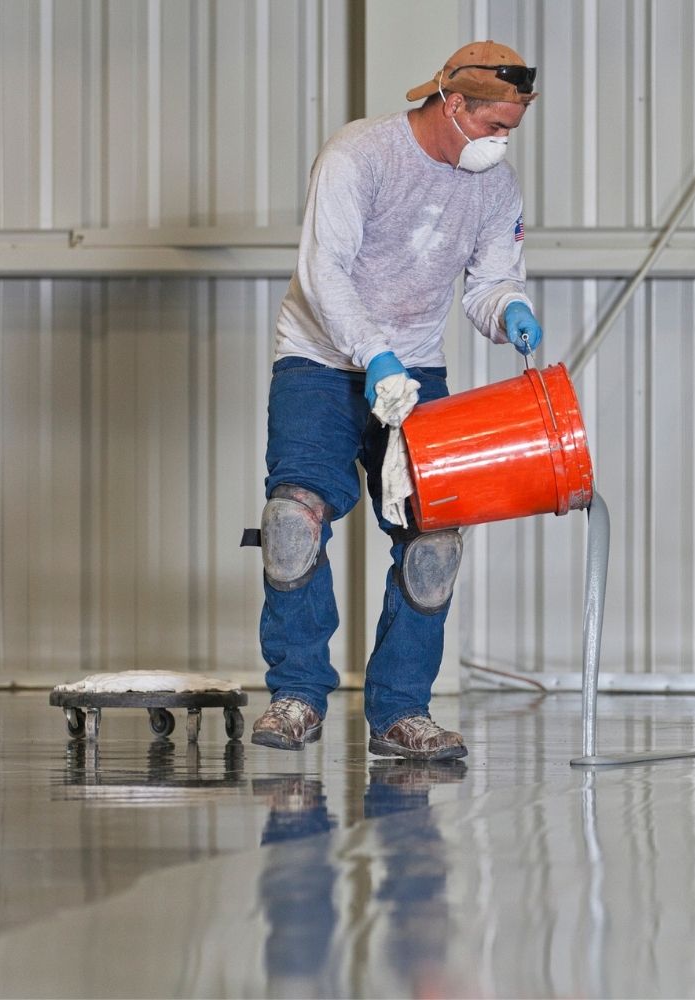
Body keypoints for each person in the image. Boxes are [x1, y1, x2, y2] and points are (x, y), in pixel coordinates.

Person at [251, 41, 544, 760]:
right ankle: (296, 696)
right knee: (293, 521)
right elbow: (325, 271)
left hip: (416, 371)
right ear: (452, 104)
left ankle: (402, 712)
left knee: (434, 542)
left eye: (512, 128)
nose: (502, 141)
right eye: (493, 125)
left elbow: (486, 282)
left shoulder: (494, 188)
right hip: (320, 361)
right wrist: (371, 352)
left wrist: (508, 309)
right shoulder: (361, 155)